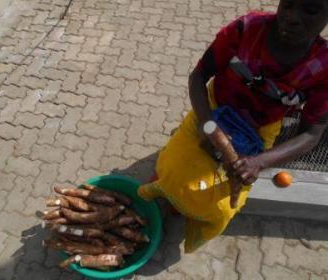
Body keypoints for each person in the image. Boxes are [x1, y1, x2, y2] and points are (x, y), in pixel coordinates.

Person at [138, 0, 328, 253]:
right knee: (172, 172)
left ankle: (191, 217)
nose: (292, 17)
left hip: (260, 127)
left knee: (222, 207)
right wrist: (209, 126)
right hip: (214, 109)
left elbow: (312, 135)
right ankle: (165, 186)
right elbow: (198, 77)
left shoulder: (323, 67)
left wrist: (258, 162)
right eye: (288, 5)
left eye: (310, 10)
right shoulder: (247, 29)